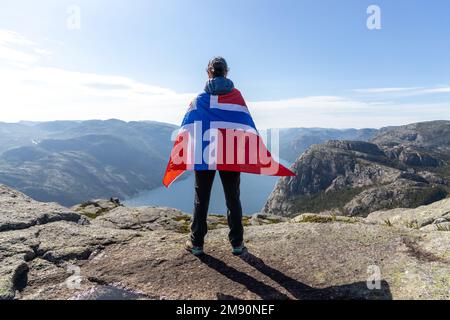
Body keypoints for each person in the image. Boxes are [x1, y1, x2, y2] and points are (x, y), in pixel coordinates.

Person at [185, 57, 246, 256]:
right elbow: (245, 125)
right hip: (230, 153)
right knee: (233, 199)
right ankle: (237, 244)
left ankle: (196, 243)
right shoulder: (237, 97)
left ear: (208, 72)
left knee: (201, 199)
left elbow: (187, 127)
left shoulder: (199, 99)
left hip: (204, 154)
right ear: (226, 72)